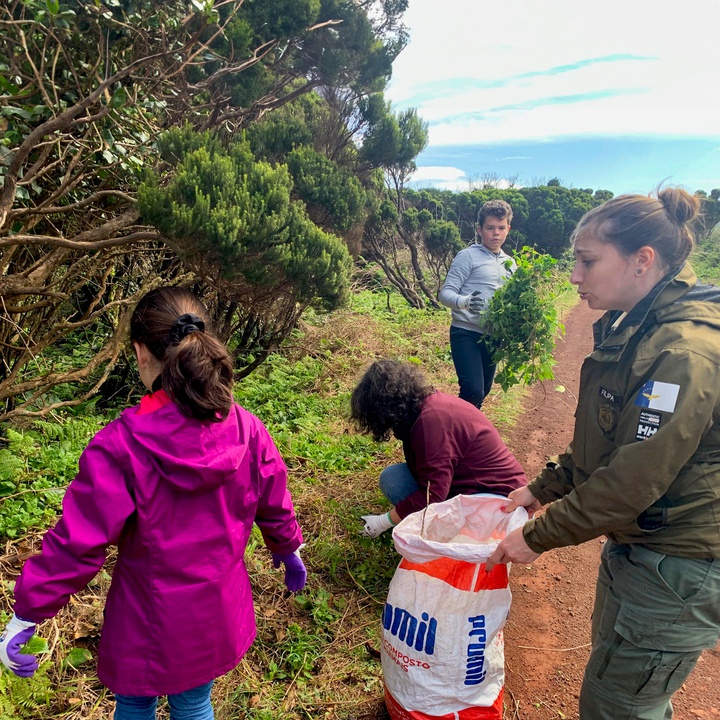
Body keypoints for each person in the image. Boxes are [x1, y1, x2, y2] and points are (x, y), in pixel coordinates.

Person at [0, 287, 307, 720]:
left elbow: (77, 544)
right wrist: (288, 546)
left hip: (146, 617)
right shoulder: (247, 428)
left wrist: (28, 612)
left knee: (134, 701)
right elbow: (274, 498)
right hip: (216, 611)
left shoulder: (121, 446)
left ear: (141, 353)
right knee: (196, 702)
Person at [486, 188, 720, 720]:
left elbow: (631, 479)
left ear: (643, 261)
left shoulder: (680, 351)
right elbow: (609, 436)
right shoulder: (636, 327)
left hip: (677, 562)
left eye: (588, 261)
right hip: (643, 548)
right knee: (620, 690)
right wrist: (542, 489)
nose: (574, 276)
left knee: (617, 706)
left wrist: (537, 536)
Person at [349, 359, 527, 537]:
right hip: (475, 487)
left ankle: (452, 536)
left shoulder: (431, 423)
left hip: (499, 504)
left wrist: (382, 522)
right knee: (393, 477)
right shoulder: (426, 405)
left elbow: (432, 495)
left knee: (396, 484)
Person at [439, 199, 516, 408]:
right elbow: (445, 294)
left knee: (483, 390)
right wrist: (464, 302)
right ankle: (457, 433)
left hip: (492, 338)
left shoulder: (511, 264)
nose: (496, 234)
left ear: (508, 229)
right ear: (479, 229)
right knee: (472, 391)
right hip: (465, 333)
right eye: (490, 228)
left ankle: (465, 433)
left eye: (501, 228)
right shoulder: (468, 256)